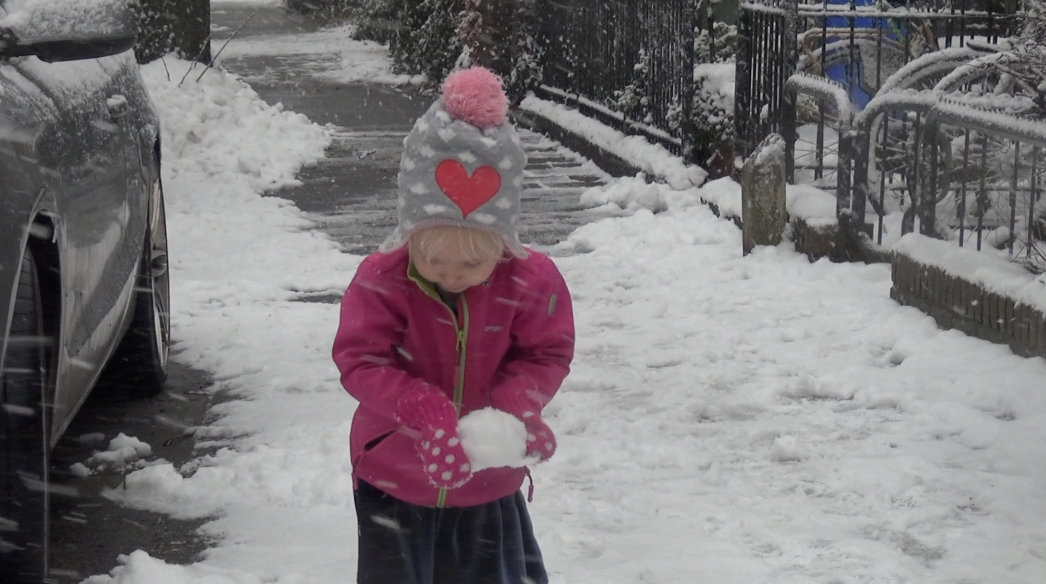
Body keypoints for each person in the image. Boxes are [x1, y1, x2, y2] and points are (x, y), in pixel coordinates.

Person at [332, 66, 575, 584]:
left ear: (502, 245)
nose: (452, 276)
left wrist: (518, 407)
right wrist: (419, 407)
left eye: (471, 266)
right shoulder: (380, 280)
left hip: (487, 485)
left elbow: (545, 353)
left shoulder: (530, 283)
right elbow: (359, 358)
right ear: (409, 232)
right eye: (435, 260)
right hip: (393, 481)